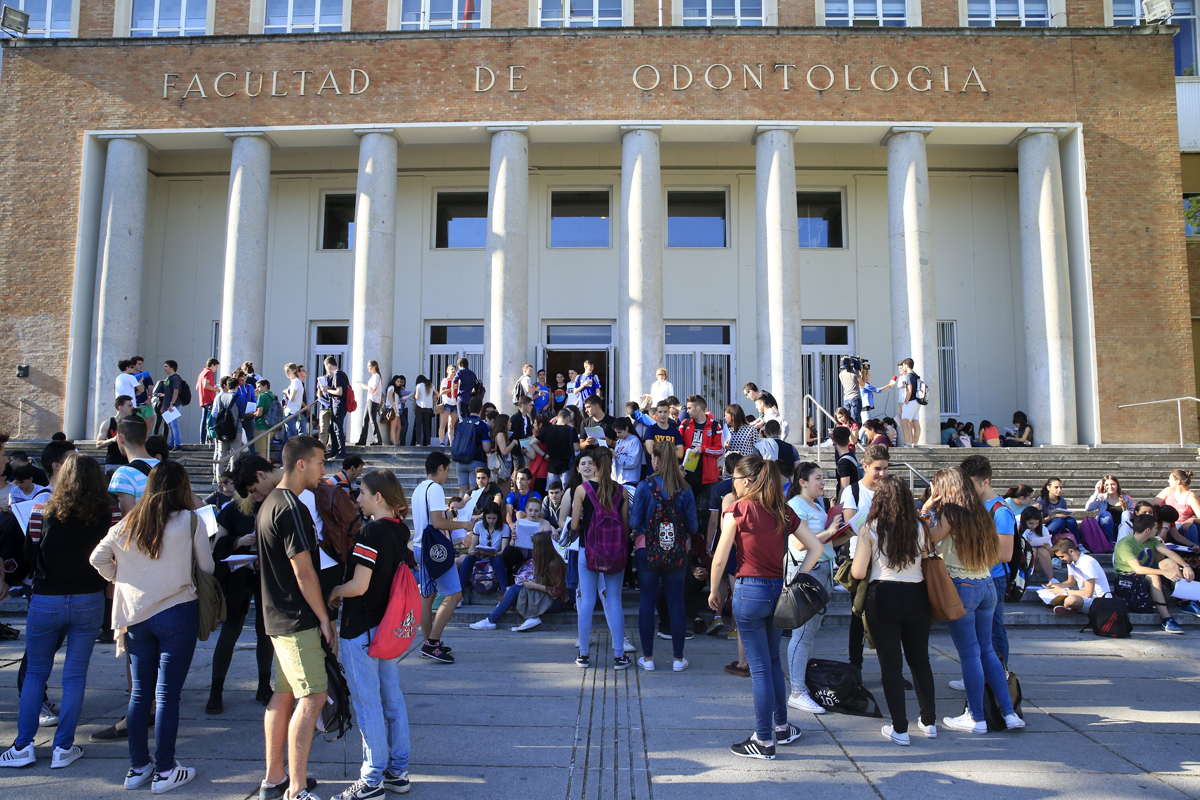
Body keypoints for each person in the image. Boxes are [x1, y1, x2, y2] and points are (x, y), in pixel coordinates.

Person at [88, 460, 214, 792]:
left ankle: (138, 767)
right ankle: (166, 768)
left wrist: (121, 576)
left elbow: (97, 559)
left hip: (135, 615)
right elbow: (207, 566)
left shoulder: (128, 522)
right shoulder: (189, 520)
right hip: (176, 609)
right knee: (167, 694)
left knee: (140, 692)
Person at [0, 454, 110, 771]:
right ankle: (63, 746)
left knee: (36, 672)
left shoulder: (42, 509)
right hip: (89, 596)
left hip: (47, 595)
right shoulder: (108, 512)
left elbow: (31, 552)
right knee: (75, 676)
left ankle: (23, 746)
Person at [708, 455, 813, 759]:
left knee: (760, 669)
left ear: (748, 482)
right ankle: (781, 726)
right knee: (772, 663)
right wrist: (799, 577)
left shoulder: (738, 510)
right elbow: (815, 546)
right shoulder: (782, 509)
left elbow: (719, 557)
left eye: (736, 480)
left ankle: (764, 740)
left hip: (748, 591)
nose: (733, 485)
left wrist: (715, 590)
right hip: (776, 590)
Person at [250, 436, 333, 800]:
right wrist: (324, 618)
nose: (323, 470)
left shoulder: (270, 502)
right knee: (313, 695)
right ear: (301, 464)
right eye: (319, 462)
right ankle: (295, 789)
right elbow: (304, 572)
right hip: (296, 619)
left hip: (277, 617)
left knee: (283, 695)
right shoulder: (291, 508)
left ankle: (275, 778)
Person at [328, 469, 413, 799]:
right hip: (387, 626)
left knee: (367, 704)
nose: (357, 498)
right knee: (392, 698)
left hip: (360, 626)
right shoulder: (398, 529)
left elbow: (359, 585)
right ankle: (397, 770)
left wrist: (333, 590)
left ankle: (372, 777)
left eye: (361, 493)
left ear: (378, 498)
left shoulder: (370, 533)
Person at [925, 466, 1024, 735]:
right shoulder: (981, 511)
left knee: (970, 654)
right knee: (987, 651)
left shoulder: (950, 513)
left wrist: (926, 508)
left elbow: (927, 540)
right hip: (986, 585)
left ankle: (976, 717)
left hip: (962, 587)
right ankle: (1009, 712)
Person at [851, 476, 937, 746]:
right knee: (920, 660)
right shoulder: (920, 528)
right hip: (916, 594)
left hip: (883, 595)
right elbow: (926, 560)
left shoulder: (870, 529)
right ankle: (929, 720)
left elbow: (858, 571)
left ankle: (900, 727)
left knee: (891, 663)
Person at [784, 461, 847, 715]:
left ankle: (800, 686)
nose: (823, 482)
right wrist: (830, 530)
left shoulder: (816, 505)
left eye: (824, 477)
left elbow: (827, 540)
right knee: (801, 633)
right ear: (803, 481)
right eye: (818, 478)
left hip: (822, 572)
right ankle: (797, 690)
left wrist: (845, 533)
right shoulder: (795, 506)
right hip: (806, 573)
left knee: (808, 633)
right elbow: (799, 545)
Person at [630, 440, 699, 672]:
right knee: (676, 601)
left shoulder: (644, 486)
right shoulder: (685, 488)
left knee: (647, 601)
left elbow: (634, 522)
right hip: (676, 551)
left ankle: (648, 659)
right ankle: (678, 659)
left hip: (647, 550)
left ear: (657, 460)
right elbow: (693, 526)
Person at [206, 487, 274, 714]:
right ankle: (216, 691)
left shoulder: (274, 506)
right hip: (238, 577)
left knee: (266, 633)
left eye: (261, 490)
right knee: (230, 632)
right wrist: (238, 541)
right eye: (253, 491)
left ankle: (264, 686)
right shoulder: (232, 509)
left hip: (266, 576)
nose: (259, 494)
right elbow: (216, 548)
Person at [570, 449, 630, 670]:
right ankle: (618, 656)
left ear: (594, 464)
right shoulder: (621, 491)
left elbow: (575, 525)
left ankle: (584, 655)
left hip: (589, 551)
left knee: (587, 600)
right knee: (614, 600)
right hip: (614, 553)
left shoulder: (581, 490)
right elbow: (624, 527)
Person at [412, 452, 473, 664]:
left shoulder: (420, 488)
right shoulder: (436, 488)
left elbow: (433, 519)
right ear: (440, 468)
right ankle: (432, 642)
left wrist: (452, 514)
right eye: (447, 470)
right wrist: (464, 525)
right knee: (455, 595)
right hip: (434, 550)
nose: (447, 475)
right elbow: (437, 523)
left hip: (421, 547)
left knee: (426, 598)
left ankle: (430, 642)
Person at [961, 454, 1016, 667]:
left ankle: (1000, 676)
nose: (967, 489)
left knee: (994, 631)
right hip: (975, 576)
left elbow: (1005, 554)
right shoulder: (975, 505)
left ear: (985, 482)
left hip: (993, 578)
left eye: (970, 485)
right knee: (977, 633)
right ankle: (980, 676)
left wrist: (969, 553)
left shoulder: (1000, 511)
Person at [841, 443, 889, 670]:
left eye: (885, 469)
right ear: (865, 466)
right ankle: (855, 667)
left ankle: (890, 668)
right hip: (860, 560)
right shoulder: (853, 491)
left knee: (886, 619)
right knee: (857, 616)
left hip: (887, 560)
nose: (882, 474)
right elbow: (851, 524)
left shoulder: (890, 489)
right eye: (877, 469)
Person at [471, 527, 568, 632]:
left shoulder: (553, 563)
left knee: (514, 591)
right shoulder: (545, 560)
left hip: (555, 602)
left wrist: (535, 586)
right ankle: (530, 618)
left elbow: (558, 591)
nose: (532, 549)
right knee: (515, 590)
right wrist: (533, 582)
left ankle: (491, 621)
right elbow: (547, 581)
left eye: (534, 546)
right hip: (547, 597)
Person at [1112, 513, 1193, 634]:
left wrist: (1186, 566)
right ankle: (1167, 619)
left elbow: (1169, 553)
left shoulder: (1152, 540)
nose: (1158, 530)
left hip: (1146, 570)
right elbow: (1138, 569)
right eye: (1156, 528)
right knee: (1154, 577)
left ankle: (1186, 601)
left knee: (1170, 563)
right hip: (1128, 576)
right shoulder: (1126, 544)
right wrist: (1163, 572)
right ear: (1148, 530)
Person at [1047, 539, 1112, 616]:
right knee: (1051, 594)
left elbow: (1088, 593)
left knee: (1071, 600)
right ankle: (1070, 608)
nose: (1061, 559)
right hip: (1085, 597)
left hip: (1099, 600)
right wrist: (1056, 586)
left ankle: (1069, 607)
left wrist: (1063, 592)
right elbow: (1070, 583)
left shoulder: (1087, 563)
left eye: (1062, 556)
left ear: (1071, 551)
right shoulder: (1071, 562)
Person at [460, 503, 509, 596]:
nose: (491, 521)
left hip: (496, 556)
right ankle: (459, 594)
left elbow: (503, 551)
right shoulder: (479, 525)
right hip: (480, 555)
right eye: (489, 518)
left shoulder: (504, 528)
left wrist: (493, 554)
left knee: (497, 561)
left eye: (494, 518)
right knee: (467, 559)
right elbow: (472, 547)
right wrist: (474, 552)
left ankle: (504, 594)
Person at [455, 397, 493, 497]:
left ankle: (459, 512)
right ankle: (472, 513)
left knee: (462, 492)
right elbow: (486, 448)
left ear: (469, 408)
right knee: (473, 493)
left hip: (460, 461)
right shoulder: (482, 425)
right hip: (476, 462)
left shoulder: (460, 424)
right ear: (481, 409)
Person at [533, 408, 579, 490]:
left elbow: (532, 443)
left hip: (552, 467)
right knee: (566, 492)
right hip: (566, 467)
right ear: (568, 418)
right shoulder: (571, 430)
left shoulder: (548, 430)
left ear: (557, 417)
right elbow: (576, 448)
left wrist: (544, 455)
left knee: (552, 493)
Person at [1153, 469, 1200, 543]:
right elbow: (1152, 506)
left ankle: (1193, 550)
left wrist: (1192, 520)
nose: (1168, 481)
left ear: (1178, 482)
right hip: (1166, 525)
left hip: (1182, 527)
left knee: (1192, 527)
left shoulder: (1191, 497)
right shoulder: (1168, 491)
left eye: (1170, 479)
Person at [1087, 475, 1135, 543]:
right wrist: (1096, 492)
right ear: (1103, 486)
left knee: (1126, 514)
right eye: (1107, 485)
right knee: (1106, 515)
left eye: (1113, 484)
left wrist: (1130, 512)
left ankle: (1125, 541)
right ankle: (1111, 543)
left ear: (1117, 485)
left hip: (1121, 528)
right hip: (1106, 529)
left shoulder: (1127, 499)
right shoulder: (1101, 498)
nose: (1110, 487)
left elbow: (1135, 512)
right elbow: (1088, 508)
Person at [321, 357, 351, 459]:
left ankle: (341, 452)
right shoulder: (342, 374)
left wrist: (327, 390)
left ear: (329, 364)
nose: (325, 368)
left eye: (325, 366)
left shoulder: (337, 374)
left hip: (338, 404)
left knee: (337, 428)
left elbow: (339, 392)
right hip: (339, 404)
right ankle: (334, 450)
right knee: (333, 428)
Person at [1036, 478, 1080, 544]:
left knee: (1071, 520)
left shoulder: (1062, 501)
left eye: (1061, 487)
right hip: (1047, 524)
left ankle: (1078, 543)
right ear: (1049, 487)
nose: (1059, 490)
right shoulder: (1041, 500)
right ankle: (1044, 539)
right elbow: (1040, 521)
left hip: (1060, 523)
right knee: (1060, 521)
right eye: (1056, 487)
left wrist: (1065, 515)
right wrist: (1053, 516)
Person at [1020, 506, 1056, 583]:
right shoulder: (1017, 527)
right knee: (1033, 550)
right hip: (1023, 561)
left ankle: (1051, 579)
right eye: (1031, 523)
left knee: (1042, 550)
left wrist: (1048, 548)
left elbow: (1052, 554)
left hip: (1038, 562)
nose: (1034, 526)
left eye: (1037, 523)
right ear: (1024, 521)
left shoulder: (1043, 529)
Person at [356, 360, 384, 447]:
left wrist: (365, 387)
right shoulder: (374, 376)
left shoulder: (376, 376)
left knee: (372, 420)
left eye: (369, 367)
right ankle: (362, 439)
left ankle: (377, 439)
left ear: (374, 366)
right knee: (365, 420)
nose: (368, 368)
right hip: (370, 400)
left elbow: (373, 390)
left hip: (373, 400)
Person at [159, 361, 184, 451]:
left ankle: (177, 444)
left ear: (172, 367)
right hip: (168, 405)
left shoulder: (175, 378)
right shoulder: (168, 378)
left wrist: (171, 404)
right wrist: (163, 406)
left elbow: (175, 391)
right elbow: (167, 394)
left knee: (174, 424)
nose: (164, 368)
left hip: (173, 404)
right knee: (170, 425)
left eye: (166, 366)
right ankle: (171, 443)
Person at [612, 417, 644, 485]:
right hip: (618, 479)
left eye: (619, 432)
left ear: (627, 428)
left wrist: (617, 455)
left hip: (630, 479)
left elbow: (632, 463)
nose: (618, 435)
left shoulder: (634, 441)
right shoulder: (619, 442)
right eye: (616, 433)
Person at [896, 358, 920, 446]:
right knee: (915, 422)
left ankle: (908, 443)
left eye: (904, 365)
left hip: (910, 401)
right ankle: (915, 443)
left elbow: (909, 390)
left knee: (904, 422)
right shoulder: (915, 375)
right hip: (917, 401)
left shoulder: (909, 375)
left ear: (907, 365)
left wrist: (906, 402)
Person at [253, 379, 278, 459]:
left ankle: (263, 469)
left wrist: (253, 413)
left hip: (261, 426)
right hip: (271, 427)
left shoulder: (262, 396)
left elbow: (259, 413)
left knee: (261, 451)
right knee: (266, 449)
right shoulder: (274, 397)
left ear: (265, 386)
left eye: (259, 387)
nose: (257, 389)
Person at [384, 375, 411, 448]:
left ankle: (396, 442)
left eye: (400, 382)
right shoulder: (391, 387)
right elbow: (390, 397)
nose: (399, 383)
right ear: (394, 381)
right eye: (398, 381)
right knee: (393, 427)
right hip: (393, 409)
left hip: (397, 409)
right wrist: (394, 408)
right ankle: (395, 443)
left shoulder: (396, 389)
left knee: (399, 427)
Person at [411, 374, 435, 447]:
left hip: (420, 406)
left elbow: (417, 397)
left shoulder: (419, 385)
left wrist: (415, 396)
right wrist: (432, 399)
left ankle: (418, 443)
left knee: (418, 426)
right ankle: (428, 443)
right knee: (426, 426)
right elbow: (437, 394)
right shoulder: (430, 385)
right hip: (428, 408)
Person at [838, 357, 863, 424]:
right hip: (855, 397)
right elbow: (862, 384)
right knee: (855, 420)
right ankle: (854, 433)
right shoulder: (854, 373)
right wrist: (863, 373)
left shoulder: (841, 374)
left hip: (846, 399)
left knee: (846, 419)